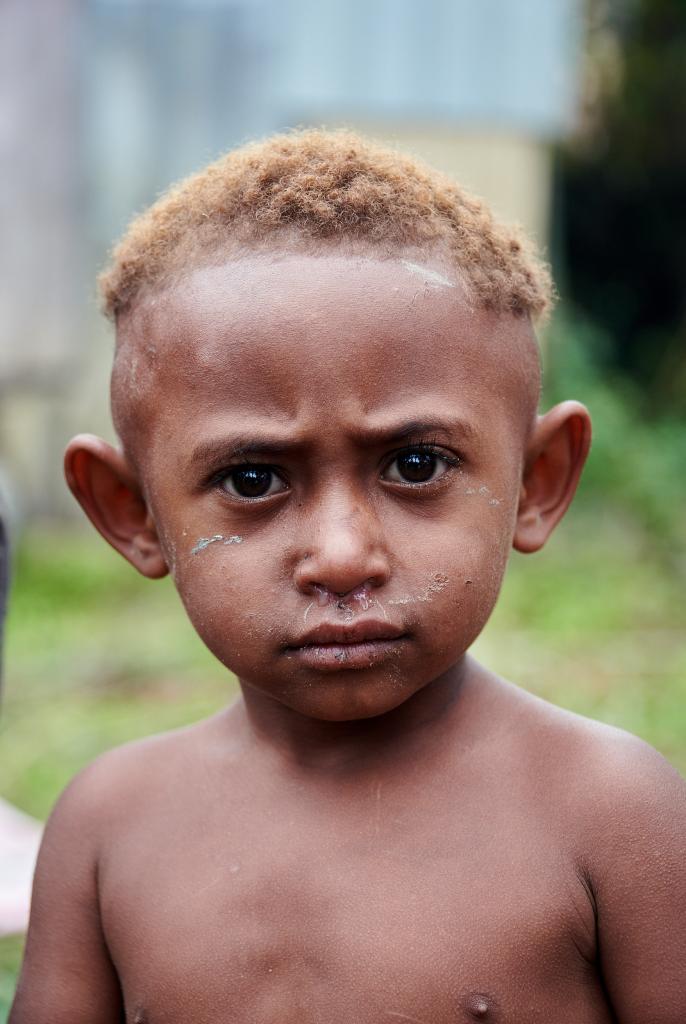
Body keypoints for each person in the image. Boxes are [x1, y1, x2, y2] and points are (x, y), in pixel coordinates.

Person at [10, 130, 686, 1023]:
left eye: (415, 466)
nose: (341, 556)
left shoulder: (612, 814)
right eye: (252, 480)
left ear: (540, 481)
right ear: (131, 512)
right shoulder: (108, 828)